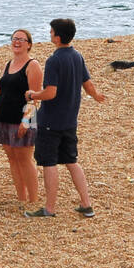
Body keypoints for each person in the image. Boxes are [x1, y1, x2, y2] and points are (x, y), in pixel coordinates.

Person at [24, 18, 107, 218]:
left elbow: (51, 93)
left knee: (49, 162)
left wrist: (33, 95)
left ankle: (49, 209)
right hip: (70, 120)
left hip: (51, 121)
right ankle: (86, 204)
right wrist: (96, 96)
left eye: (51, 32)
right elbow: (87, 84)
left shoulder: (54, 60)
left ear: (58, 36)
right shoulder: (77, 56)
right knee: (71, 160)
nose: (50, 34)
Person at [0, 30, 41, 210]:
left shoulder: (32, 65)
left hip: (22, 118)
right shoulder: (8, 64)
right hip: (4, 117)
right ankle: (21, 197)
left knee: (24, 158)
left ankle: (33, 199)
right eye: (14, 39)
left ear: (29, 44)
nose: (17, 42)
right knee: (12, 158)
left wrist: (26, 121)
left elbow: (34, 97)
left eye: (21, 39)